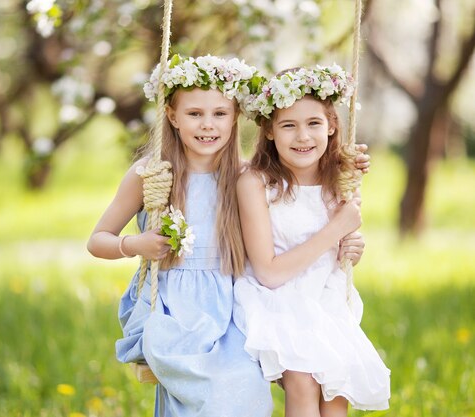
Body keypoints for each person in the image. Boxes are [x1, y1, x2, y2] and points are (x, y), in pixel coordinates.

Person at [87, 56, 370, 417]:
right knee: (212, 390)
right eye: (194, 115)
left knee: (245, 383)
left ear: (235, 116)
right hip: (171, 308)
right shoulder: (152, 174)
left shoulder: (244, 176)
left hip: (230, 306)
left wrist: (345, 164)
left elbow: (302, 193)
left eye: (219, 114)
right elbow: (98, 240)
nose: (208, 125)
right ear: (172, 116)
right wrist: (135, 245)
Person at [233, 65, 391, 417]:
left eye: (314, 124)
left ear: (332, 125)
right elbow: (269, 274)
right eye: (289, 125)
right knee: (303, 380)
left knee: (335, 392)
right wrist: (335, 231)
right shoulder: (256, 184)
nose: (303, 136)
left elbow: (336, 252)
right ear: (270, 131)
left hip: (325, 299)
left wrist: (350, 248)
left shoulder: (343, 178)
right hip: (274, 300)